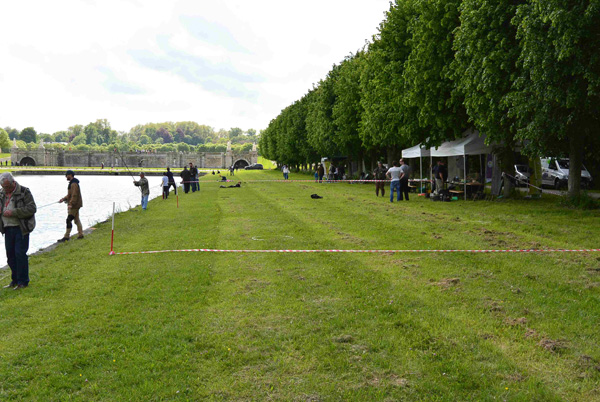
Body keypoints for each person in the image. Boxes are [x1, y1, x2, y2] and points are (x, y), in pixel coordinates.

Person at [0, 173, 36, 290]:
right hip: (7, 228)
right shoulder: (1, 193)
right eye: (4, 187)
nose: (6, 189)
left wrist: (14, 212)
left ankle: (23, 282)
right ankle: (15, 280)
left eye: (7, 187)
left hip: (21, 228)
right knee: (10, 256)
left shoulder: (24, 192)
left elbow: (32, 208)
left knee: (20, 254)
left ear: (13, 182)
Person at [58, 170, 83, 242]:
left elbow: (74, 195)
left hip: (74, 205)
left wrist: (71, 204)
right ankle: (80, 235)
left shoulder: (74, 184)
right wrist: (63, 199)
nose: (66, 177)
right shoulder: (71, 183)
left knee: (68, 220)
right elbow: (69, 195)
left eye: (67, 175)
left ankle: (66, 237)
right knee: (77, 220)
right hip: (75, 205)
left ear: (70, 175)